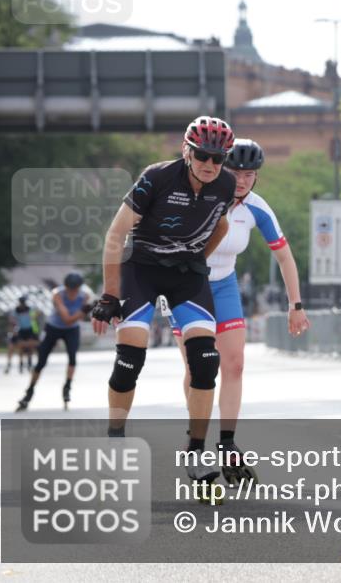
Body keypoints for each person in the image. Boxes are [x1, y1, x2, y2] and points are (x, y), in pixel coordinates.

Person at [90, 116, 236, 494]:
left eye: (218, 158)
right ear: (187, 151)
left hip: (186, 274)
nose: (210, 164)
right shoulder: (157, 176)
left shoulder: (226, 185)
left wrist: (198, 258)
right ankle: (116, 436)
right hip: (141, 269)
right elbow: (116, 233)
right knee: (130, 359)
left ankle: (196, 451)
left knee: (205, 361)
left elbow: (221, 226)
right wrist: (109, 293)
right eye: (203, 155)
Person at [168, 138, 310, 483]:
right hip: (186, 285)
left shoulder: (257, 207)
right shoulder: (196, 195)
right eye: (235, 171)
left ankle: (227, 443)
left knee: (234, 364)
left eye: (250, 173)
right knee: (199, 366)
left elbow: (284, 255)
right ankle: (196, 439)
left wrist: (296, 305)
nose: (242, 179)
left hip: (225, 284)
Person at [15, 273, 92, 411]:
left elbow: (82, 318)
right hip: (54, 328)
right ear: (65, 287)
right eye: (70, 290)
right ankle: (29, 391)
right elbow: (67, 319)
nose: (72, 293)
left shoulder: (84, 295)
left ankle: (67, 386)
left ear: (79, 288)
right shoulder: (57, 294)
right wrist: (83, 312)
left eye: (75, 290)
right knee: (41, 362)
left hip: (72, 330)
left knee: (73, 358)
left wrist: (89, 311)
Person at [9, 296, 40, 374]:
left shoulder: (29, 309)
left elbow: (35, 314)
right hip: (21, 330)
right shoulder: (16, 310)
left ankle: (29, 362)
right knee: (21, 347)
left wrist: (34, 315)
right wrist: (14, 326)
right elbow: (12, 319)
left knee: (30, 346)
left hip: (29, 329)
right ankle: (21, 363)